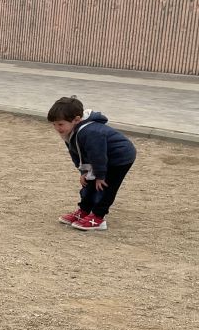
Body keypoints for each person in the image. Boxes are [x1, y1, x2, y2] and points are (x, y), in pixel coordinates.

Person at [47, 96, 137, 232]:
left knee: (105, 187)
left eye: (60, 124)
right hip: (99, 159)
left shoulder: (91, 132)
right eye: (54, 124)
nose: (57, 128)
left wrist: (100, 176)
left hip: (119, 158)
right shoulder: (69, 131)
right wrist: (83, 171)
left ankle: (98, 217)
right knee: (88, 183)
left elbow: (98, 155)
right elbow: (76, 153)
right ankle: (84, 210)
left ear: (76, 119)